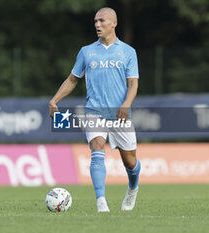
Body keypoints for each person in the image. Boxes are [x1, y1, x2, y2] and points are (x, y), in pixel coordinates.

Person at [49, 7, 141, 212]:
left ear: (114, 23)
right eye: (95, 22)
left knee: (130, 162)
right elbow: (73, 79)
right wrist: (55, 99)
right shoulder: (86, 51)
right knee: (97, 147)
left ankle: (133, 187)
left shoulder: (128, 52)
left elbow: (133, 84)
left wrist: (126, 105)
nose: (97, 25)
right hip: (94, 111)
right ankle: (101, 203)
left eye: (102, 21)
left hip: (120, 113)